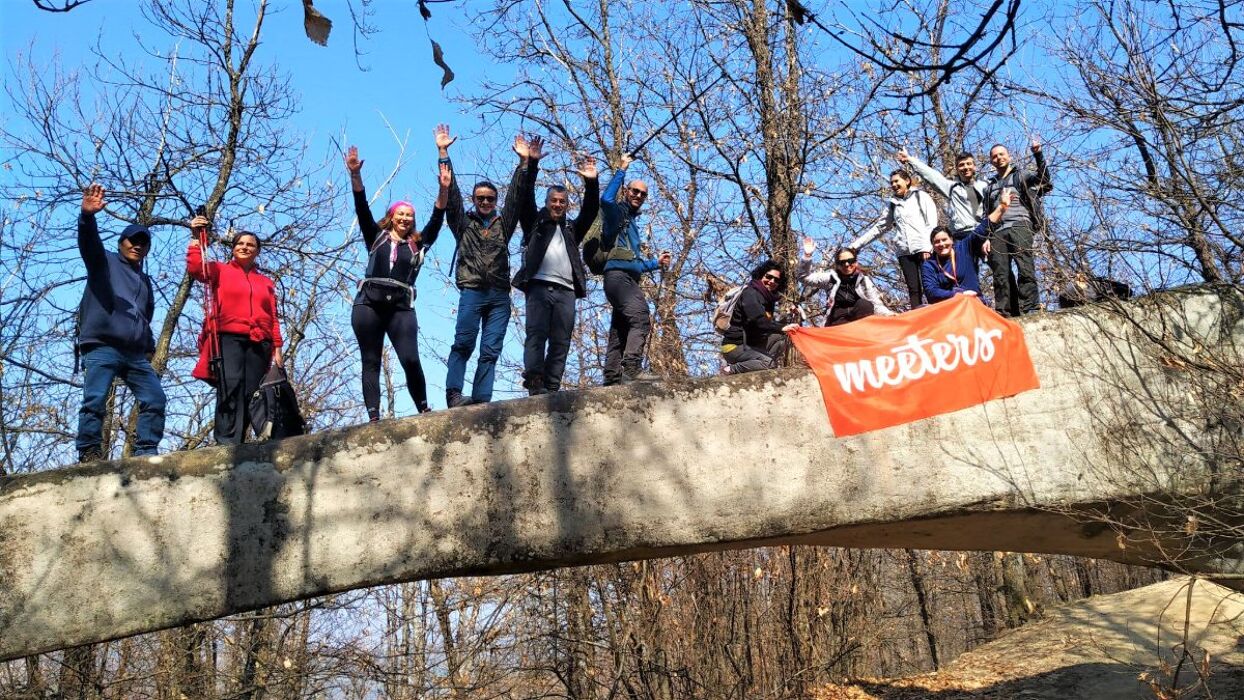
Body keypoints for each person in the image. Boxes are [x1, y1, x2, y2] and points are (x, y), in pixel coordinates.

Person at [344, 144, 449, 420]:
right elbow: (361, 206)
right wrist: (355, 174)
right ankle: (374, 416)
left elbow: (438, 218)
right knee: (371, 360)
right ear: (391, 217)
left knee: (411, 359)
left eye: (410, 216)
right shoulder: (375, 236)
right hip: (368, 305)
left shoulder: (418, 243)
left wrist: (444, 189)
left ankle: (423, 407)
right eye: (401, 214)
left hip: (401, 307)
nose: (405, 218)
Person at [438, 124, 538, 407]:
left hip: (498, 296)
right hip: (472, 292)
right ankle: (454, 394)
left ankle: (482, 399)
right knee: (463, 344)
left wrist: (524, 163)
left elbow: (517, 198)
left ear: (495, 202)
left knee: (490, 350)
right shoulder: (462, 222)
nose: (485, 201)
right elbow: (451, 193)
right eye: (480, 198)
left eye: (490, 198)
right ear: (474, 200)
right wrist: (443, 152)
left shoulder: (503, 224)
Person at [75, 183, 166, 462]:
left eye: (143, 243)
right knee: (95, 400)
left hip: (134, 354)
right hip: (102, 346)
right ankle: (90, 451)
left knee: (155, 399)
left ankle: (145, 452)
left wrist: (148, 347)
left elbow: (145, 316)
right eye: (132, 241)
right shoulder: (104, 262)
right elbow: (89, 244)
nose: (137, 246)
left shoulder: (144, 280)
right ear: (121, 243)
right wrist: (87, 217)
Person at [187, 221, 284, 444]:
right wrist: (195, 237)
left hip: (260, 342)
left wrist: (277, 347)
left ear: (257, 251)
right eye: (240, 243)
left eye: (250, 244)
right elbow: (195, 268)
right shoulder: (220, 270)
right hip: (228, 337)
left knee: (253, 392)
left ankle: (242, 440)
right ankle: (226, 443)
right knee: (230, 386)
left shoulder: (266, 282)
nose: (245, 247)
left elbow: (273, 316)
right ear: (233, 248)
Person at [512, 152, 600, 395]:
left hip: (567, 291)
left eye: (562, 201)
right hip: (539, 286)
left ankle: (552, 387)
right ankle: (534, 381)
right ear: (547, 202)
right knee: (536, 334)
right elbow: (525, 198)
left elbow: (591, 211)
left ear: (567, 205)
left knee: (561, 340)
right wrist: (533, 164)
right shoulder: (535, 222)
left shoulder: (572, 228)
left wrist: (591, 182)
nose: (558, 205)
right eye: (554, 200)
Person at [600, 154, 672, 384]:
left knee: (620, 329)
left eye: (643, 194)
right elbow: (606, 200)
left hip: (625, 278)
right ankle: (632, 367)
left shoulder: (631, 224)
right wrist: (622, 169)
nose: (638, 196)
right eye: (634, 191)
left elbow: (635, 264)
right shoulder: (617, 214)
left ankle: (612, 377)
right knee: (640, 315)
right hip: (618, 279)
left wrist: (656, 263)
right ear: (626, 191)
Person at [982, 137, 1051, 316]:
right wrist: (987, 237)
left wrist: (1038, 154)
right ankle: (1005, 313)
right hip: (997, 232)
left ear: (1009, 156)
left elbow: (1044, 179)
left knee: (1025, 267)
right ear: (991, 161)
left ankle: (1031, 308)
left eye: (1002, 154)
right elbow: (987, 215)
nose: (999, 158)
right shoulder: (989, 187)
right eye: (995, 156)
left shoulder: (1021, 175)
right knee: (1000, 274)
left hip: (1020, 225)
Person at [848, 170, 938, 309]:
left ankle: (940, 317)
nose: (894, 185)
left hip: (924, 248)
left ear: (907, 181)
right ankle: (917, 319)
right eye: (892, 183)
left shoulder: (921, 197)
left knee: (930, 286)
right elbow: (879, 228)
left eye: (897, 181)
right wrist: (856, 246)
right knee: (913, 289)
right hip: (904, 252)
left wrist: (928, 246)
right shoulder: (892, 204)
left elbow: (932, 223)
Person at [898, 147, 989, 267]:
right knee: (964, 272)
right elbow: (932, 176)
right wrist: (910, 159)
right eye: (961, 165)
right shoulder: (952, 187)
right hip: (960, 235)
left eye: (968, 164)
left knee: (1000, 267)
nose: (965, 167)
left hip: (981, 232)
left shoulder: (985, 186)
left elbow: (992, 211)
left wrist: (989, 235)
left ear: (974, 166)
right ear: (957, 168)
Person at [922, 193, 1011, 303]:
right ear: (932, 245)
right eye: (936, 242)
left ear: (952, 240)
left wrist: (1002, 207)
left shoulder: (964, 248)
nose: (941, 244)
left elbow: (982, 228)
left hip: (973, 302)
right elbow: (931, 292)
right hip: (948, 306)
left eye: (944, 240)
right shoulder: (929, 264)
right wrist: (957, 294)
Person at [720, 260, 799, 375]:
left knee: (780, 338)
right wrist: (783, 327)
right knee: (769, 363)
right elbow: (758, 321)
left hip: (750, 344)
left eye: (776, 280)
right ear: (761, 275)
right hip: (733, 346)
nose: (772, 281)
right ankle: (731, 370)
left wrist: (789, 317)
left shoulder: (767, 299)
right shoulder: (751, 293)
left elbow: (768, 324)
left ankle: (760, 366)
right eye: (769, 276)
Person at [797, 237, 894, 325]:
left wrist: (889, 315)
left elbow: (875, 303)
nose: (847, 264)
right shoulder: (830, 278)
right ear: (837, 265)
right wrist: (807, 255)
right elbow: (804, 277)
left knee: (864, 304)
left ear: (856, 262)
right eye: (842, 262)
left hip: (859, 322)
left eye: (850, 260)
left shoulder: (864, 281)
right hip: (838, 323)